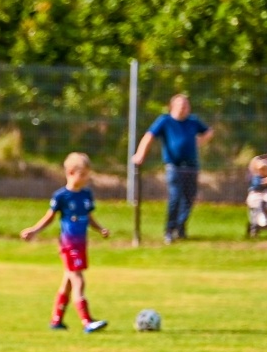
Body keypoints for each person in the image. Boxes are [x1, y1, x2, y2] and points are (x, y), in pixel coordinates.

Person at [20, 152, 111, 333]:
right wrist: (34, 230)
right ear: (70, 172)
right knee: (78, 280)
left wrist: (100, 228)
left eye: (87, 175)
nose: (86, 179)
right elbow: (49, 217)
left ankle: (56, 320)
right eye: (82, 174)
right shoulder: (61, 196)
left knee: (68, 282)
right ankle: (87, 321)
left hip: (81, 244)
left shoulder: (86, 195)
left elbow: (89, 217)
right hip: (69, 244)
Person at [133, 93, 212, 244]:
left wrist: (200, 141)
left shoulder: (193, 121)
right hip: (174, 166)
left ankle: (180, 227)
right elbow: (149, 136)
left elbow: (209, 132)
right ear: (173, 107)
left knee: (189, 198)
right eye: (181, 105)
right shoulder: (165, 121)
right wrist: (140, 154)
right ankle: (169, 230)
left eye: (186, 105)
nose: (184, 108)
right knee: (175, 197)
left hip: (191, 166)